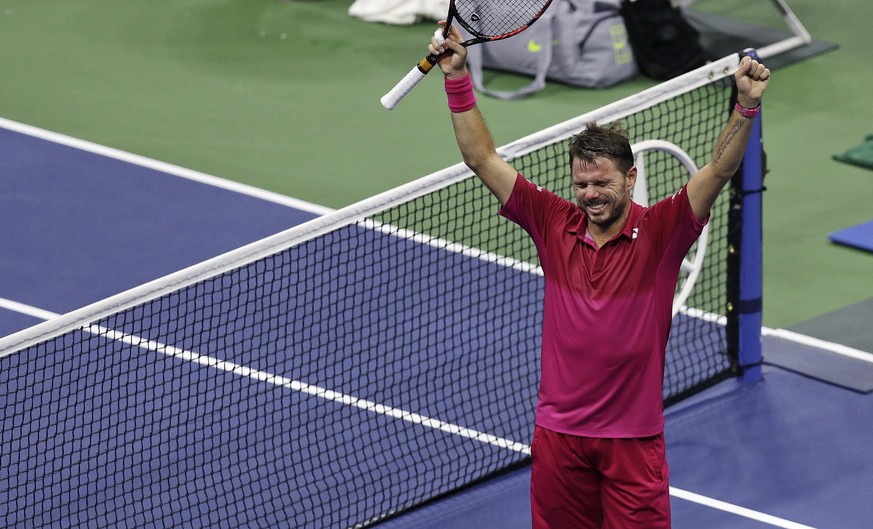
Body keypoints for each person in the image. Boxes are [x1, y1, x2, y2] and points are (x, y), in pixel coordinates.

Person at [429, 22, 771, 529]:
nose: (590, 194)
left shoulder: (662, 233)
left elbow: (717, 172)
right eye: (582, 183)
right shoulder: (552, 223)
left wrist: (745, 107)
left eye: (602, 182)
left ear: (630, 178)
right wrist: (456, 77)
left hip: (632, 443)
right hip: (559, 438)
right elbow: (481, 158)